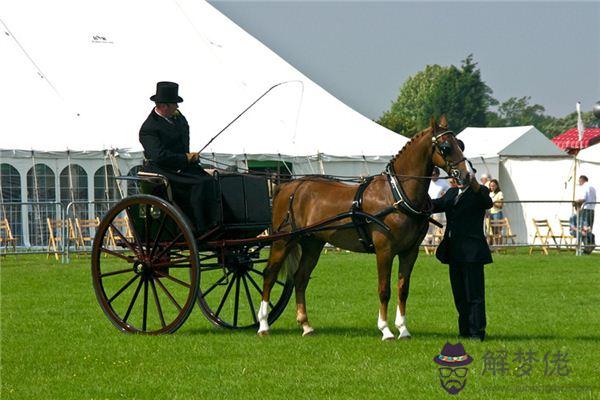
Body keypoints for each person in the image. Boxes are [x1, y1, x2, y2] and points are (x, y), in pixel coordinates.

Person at [139, 81, 215, 232]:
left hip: (181, 166)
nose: (177, 107)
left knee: (212, 180)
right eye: (175, 104)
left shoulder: (178, 119)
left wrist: (189, 159)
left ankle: (216, 222)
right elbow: (159, 156)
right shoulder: (149, 128)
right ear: (165, 106)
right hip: (162, 169)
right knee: (200, 183)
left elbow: (184, 141)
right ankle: (200, 227)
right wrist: (185, 158)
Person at [432, 168, 493, 341]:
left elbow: (487, 202)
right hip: (454, 251)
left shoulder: (479, 192)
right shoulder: (451, 193)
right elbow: (435, 204)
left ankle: (477, 332)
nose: (458, 178)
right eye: (456, 175)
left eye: (463, 175)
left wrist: (473, 180)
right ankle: (464, 330)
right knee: (459, 294)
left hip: (472, 253)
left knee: (474, 295)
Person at [488, 179, 504, 245]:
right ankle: (495, 246)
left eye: (493, 186)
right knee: (493, 231)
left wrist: (493, 203)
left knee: (498, 231)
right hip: (490, 213)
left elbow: (501, 205)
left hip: (497, 213)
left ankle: (500, 246)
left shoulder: (500, 193)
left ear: (497, 186)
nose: (492, 187)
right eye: (491, 186)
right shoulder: (490, 193)